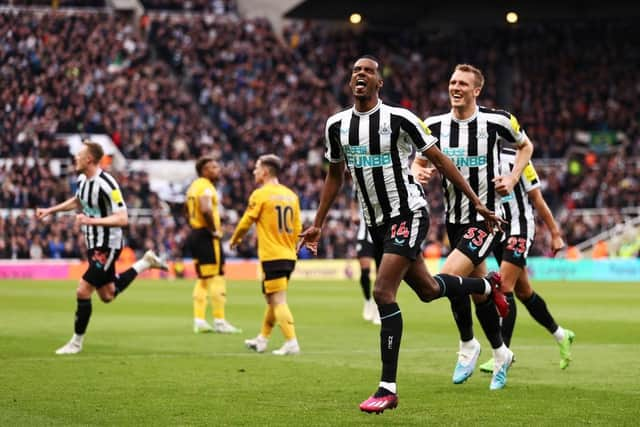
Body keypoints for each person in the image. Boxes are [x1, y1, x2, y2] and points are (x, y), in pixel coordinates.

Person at [298, 55, 507, 414]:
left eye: (368, 71)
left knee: (383, 291)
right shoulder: (337, 126)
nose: (360, 75)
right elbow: (335, 175)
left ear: (380, 82)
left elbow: (442, 161)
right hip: (377, 223)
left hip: (408, 213)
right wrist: (318, 221)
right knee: (428, 290)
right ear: (350, 83)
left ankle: (387, 387)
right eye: (355, 72)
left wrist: (478, 205)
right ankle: (486, 286)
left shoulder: (400, 119)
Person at [412, 63, 534, 390]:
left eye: (463, 83)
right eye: (452, 81)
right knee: (476, 295)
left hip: (487, 219)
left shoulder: (497, 121)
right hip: (454, 221)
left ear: (476, 90)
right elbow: (418, 159)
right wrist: (417, 171)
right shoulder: (433, 124)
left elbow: (526, 146)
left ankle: (468, 345)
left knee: (448, 276)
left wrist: (512, 176)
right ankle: (501, 352)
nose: (456, 87)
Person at [35, 140, 168, 355]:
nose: (75, 158)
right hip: (92, 243)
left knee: (83, 289)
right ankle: (145, 262)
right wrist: (50, 210)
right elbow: (79, 201)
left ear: (89, 159)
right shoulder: (82, 180)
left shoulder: (108, 184)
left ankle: (76, 343)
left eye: (79, 155)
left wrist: (91, 221)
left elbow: (123, 218)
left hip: (108, 245)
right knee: (107, 295)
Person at [476, 147, 575, 372]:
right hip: (498, 231)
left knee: (505, 288)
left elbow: (537, 199)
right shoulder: (481, 157)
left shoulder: (518, 159)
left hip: (520, 229)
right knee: (524, 292)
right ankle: (562, 336)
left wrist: (555, 233)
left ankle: (502, 355)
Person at [229, 154, 302, 355]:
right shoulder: (291, 196)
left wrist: (235, 239)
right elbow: (298, 228)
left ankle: (291, 341)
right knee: (272, 299)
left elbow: (246, 221)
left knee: (278, 300)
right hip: (288, 254)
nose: (254, 172)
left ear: (265, 171)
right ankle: (262, 339)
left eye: (256, 168)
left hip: (272, 255)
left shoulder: (260, 194)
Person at [185, 156, 240, 334]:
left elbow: (187, 210)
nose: (218, 170)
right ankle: (219, 320)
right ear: (204, 170)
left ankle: (200, 320)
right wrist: (214, 229)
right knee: (217, 276)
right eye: (213, 167)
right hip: (206, 235)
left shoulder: (193, 186)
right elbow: (206, 208)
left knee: (202, 279)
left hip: (195, 233)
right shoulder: (206, 187)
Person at [351, 199, 380, 325]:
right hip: (364, 235)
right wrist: (353, 214)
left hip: (381, 236)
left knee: (382, 276)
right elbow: (354, 200)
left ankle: (378, 307)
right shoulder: (360, 180)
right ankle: (368, 300)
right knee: (364, 271)